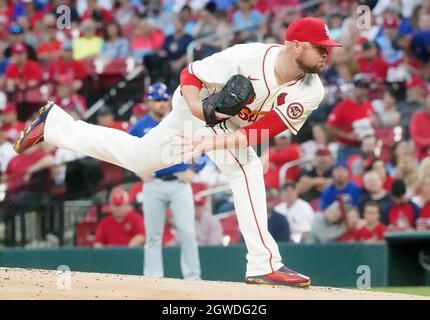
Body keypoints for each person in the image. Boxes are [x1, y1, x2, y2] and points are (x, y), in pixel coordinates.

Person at [14, 17, 343, 287]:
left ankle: (55, 126)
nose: (326, 55)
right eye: (321, 49)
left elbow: (264, 131)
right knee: (247, 170)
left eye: (328, 50)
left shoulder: (312, 89)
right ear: (296, 45)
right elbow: (191, 75)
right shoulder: (248, 57)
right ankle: (263, 264)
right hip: (195, 107)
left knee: (140, 157)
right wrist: (200, 115)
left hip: (227, 129)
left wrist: (213, 140)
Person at [128, 83, 203, 280]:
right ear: (148, 101)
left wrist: (194, 169)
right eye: (157, 99)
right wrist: (137, 171)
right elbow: (126, 152)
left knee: (187, 232)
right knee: (153, 235)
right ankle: (153, 278)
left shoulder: (179, 122)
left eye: (164, 99)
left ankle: (193, 278)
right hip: (154, 183)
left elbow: (202, 146)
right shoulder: (139, 126)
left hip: (179, 183)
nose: (162, 103)